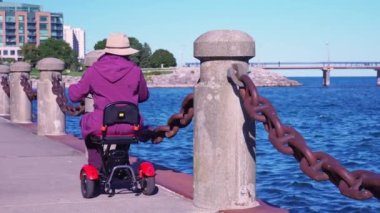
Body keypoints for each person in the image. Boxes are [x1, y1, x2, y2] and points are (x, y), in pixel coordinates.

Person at [68, 33, 149, 169]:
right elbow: (144, 96)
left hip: (101, 124)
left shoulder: (94, 70)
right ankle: (121, 161)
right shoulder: (135, 71)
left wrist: (71, 87)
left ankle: (96, 166)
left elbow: (74, 96)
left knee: (86, 123)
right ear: (127, 52)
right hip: (130, 124)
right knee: (126, 131)